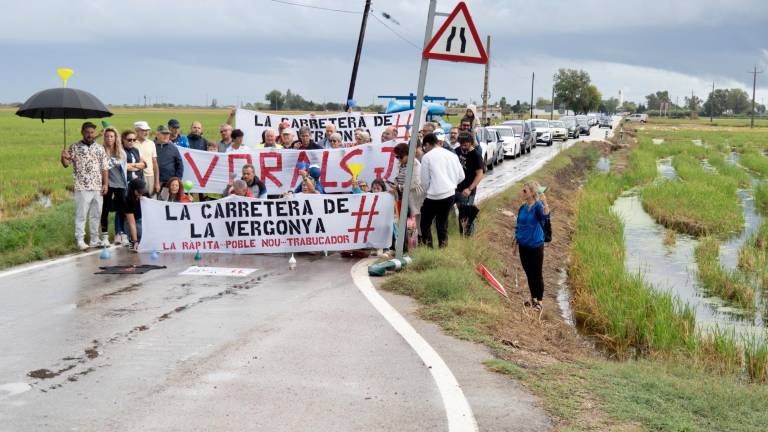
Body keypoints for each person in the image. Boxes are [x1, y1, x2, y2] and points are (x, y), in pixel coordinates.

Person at [60, 122, 109, 250]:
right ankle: (80, 240)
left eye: (92, 132)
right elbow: (66, 164)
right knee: (81, 215)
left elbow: (104, 168)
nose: (89, 135)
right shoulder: (74, 147)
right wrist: (63, 157)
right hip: (82, 187)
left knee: (96, 214)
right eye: (87, 132)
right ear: (82, 132)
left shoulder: (100, 148)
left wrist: (105, 184)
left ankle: (94, 239)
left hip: (97, 187)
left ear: (94, 133)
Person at [419, 133, 464, 248]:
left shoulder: (427, 157)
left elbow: (424, 181)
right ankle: (443, 248)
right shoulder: (452, 155)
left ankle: (428, 248)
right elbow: (461, 176)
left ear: (428, 144)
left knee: (425, 223)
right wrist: (451, 184)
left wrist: (429, 190)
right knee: (442, 224)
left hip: (433, 196)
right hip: (449, 194)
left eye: (424, 147)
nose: (424, 149)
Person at [512, 181, 551, 311]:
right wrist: (515, 244)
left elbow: (545, 218)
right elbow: (518, 226)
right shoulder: (522, 208)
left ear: (532, 193)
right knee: (529, 273)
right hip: (523, 245)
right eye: (522, 190)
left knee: (536, 273)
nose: (522, 192)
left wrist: (545, 203)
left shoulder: (538, 206)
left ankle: (539, 301)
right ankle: (533, 298)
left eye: (525, 191)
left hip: (535, 245)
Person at [99, 127, 127, 246]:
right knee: (105, 209)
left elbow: (123, 168)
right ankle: (104, 236)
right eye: (107, 136)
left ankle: (122, 234)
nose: (109, 138)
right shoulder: (101, 150)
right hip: (107, 184)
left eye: (112, 136)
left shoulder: (121, 152)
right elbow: (103, 167)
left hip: (120, 184)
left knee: (121, 210)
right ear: (104, 138)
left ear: (116, 138)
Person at [455, 132, 484, 236]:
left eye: (465, 142)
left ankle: (469, 237)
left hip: (468, 190)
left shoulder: (476, 155)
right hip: (456, 188)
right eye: (461, 142)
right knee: (460, 213)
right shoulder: (457, 151)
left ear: (471, 143)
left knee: (467, 214)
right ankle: (461, 235)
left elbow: (480, 174)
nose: (463, 144)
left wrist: (470, 188)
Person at [155, 124, 183, 199]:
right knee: (153, 201)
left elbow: (180, 165)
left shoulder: (173, 148)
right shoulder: (151, 146)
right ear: (157, 134)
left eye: (167, 134)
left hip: (168, 183)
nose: (166, 136)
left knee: (164, 201)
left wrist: (177, 180)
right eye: (163, 133)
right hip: (153, 181)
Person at [134, 121, 159, 196]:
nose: (146, 132)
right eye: (143, 130)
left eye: (147, 130)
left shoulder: (151, 143)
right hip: (136, 176)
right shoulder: (132, 142)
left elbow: (155, 163)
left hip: (150, 176)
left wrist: (157, 182)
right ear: (137, 131)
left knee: (151, 199)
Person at [124, 178, 146, 252]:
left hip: (143, 220)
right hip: (132, 222)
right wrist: (135, 241)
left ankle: (140, 239)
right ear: (133, 190)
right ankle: (132, 239)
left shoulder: (145, 195)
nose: (141, 194)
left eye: (142, 191)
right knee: (138, 231)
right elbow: (132, 224)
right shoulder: (127, 201)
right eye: (139, 192)